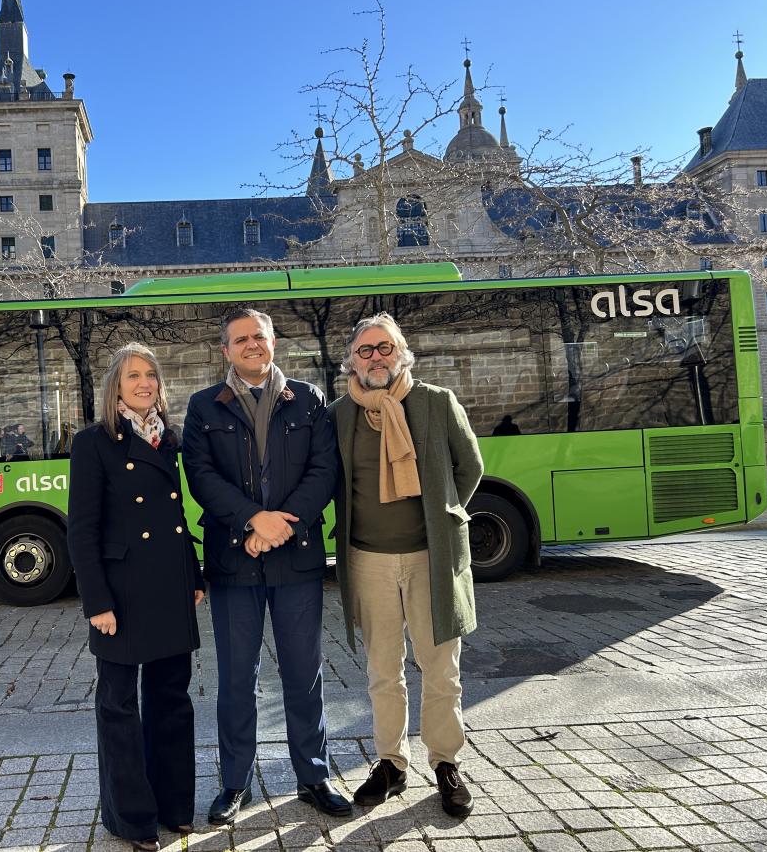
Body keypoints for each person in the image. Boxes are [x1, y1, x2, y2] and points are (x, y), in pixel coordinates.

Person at [182, 307, 350, 825]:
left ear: (273, 342)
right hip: (234, 563)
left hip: (296, 559)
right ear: (226, 350)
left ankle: (314, 775)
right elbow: (201, 475)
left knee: (305, 674)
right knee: (236, 678)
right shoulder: (203, 405)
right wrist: (253, 521)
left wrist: (284, 523)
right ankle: (235, 783)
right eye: (240, 339)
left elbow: (325, 470)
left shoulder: (309, 399)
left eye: (260, 336)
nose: (252, 345)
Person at [328, 312, 484, 818]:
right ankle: (392, 763)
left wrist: (443, 517)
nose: (376, 357)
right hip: (367, 560)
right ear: (351, 360)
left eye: (385, 347)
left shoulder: (435, 402)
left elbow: (470, 466)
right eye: (365, 350)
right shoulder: (339, 414)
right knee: (382, 671)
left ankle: (446, 763)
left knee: (440, 669)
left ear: (402, 352)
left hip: (430, 559)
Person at [67, 343, 205, 852]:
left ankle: (175, 806)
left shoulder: (168, 439)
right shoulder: (94, 443)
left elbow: (176, 519)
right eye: (132, 376)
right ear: (115, 388)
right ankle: (132, 818)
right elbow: (82, 532)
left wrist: (194, 574)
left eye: (151, 375)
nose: (144, 383)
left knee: (172, 700)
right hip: (120, 597)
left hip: (169, 585)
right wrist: (96, 602)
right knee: (119, 707)